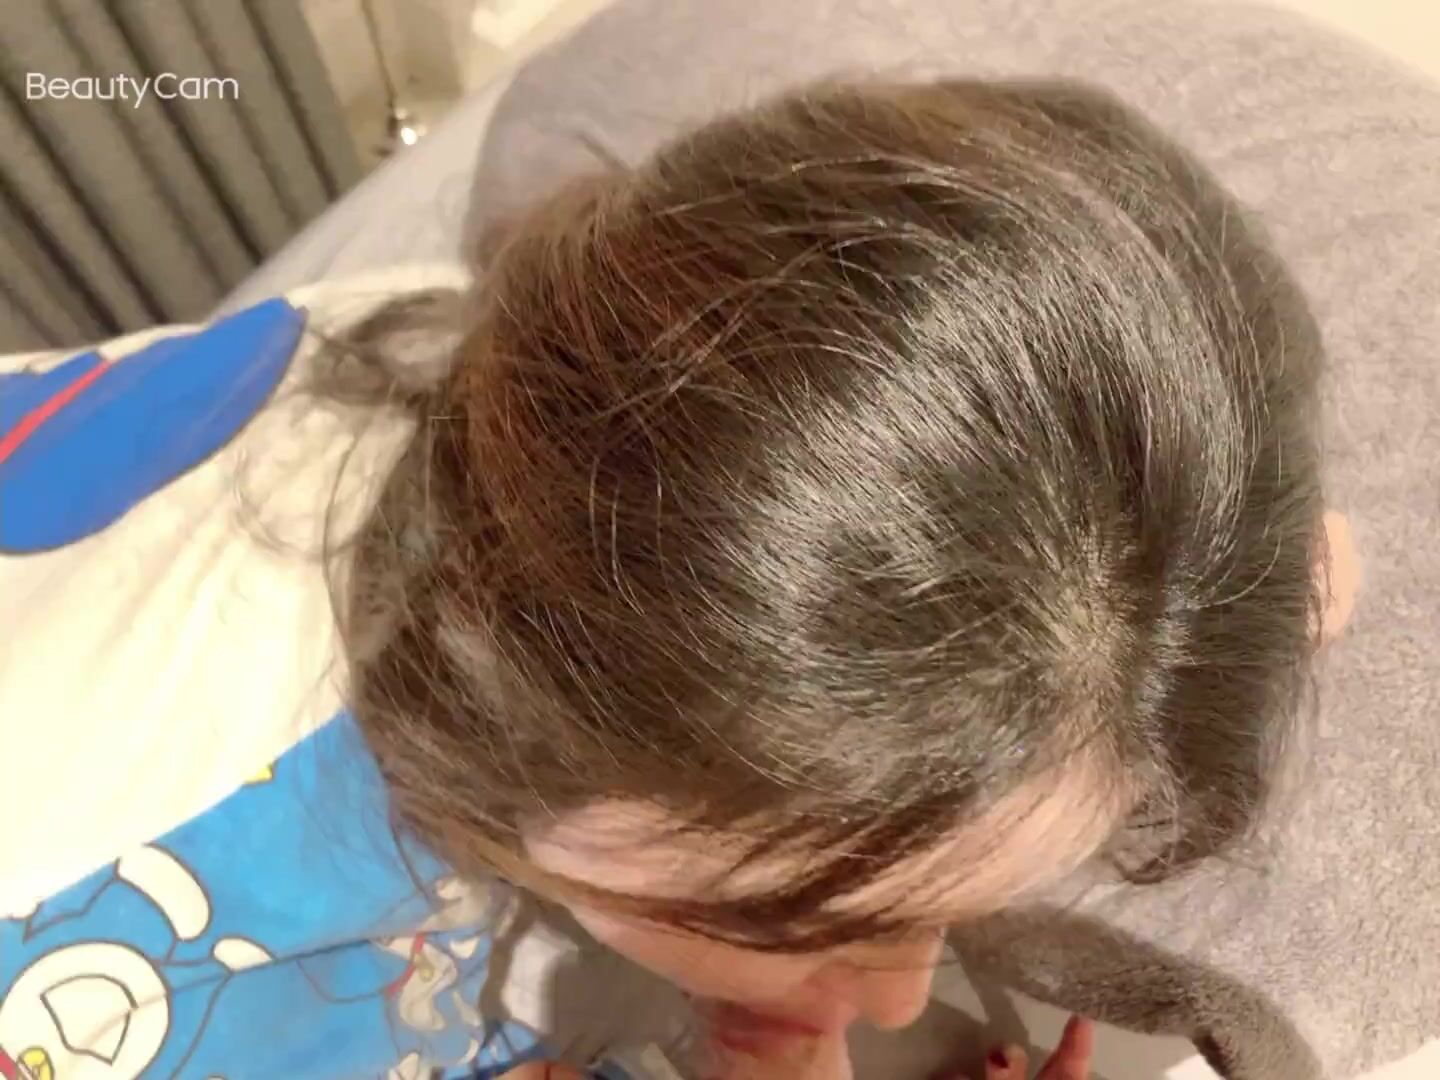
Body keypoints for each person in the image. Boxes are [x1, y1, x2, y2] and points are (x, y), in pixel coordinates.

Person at [0, 78, 1358, 1080]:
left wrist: (1227, 570)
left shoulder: (543, 377)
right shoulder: (84, 903)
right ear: (540, 717)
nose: (898, 1003)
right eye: (823, 919)